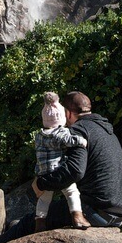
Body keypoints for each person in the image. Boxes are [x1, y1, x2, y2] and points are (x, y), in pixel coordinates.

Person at [0, 91, 122, 243]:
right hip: (117, 213)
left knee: (29, 222)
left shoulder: (79, 130)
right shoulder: (104, 129)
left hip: (97, 212)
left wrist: (42, 183)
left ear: (68, 113)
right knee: (33, 221)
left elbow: (75, 170)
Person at [34, 92, 90, 232]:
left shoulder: (39, 136)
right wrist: (81, 141)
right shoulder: (61, 132)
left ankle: (40, 223)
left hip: (43, 173)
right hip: (57, 170)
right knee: (72, 192)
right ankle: (77, 217)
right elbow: (70, 141)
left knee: (44, 199)